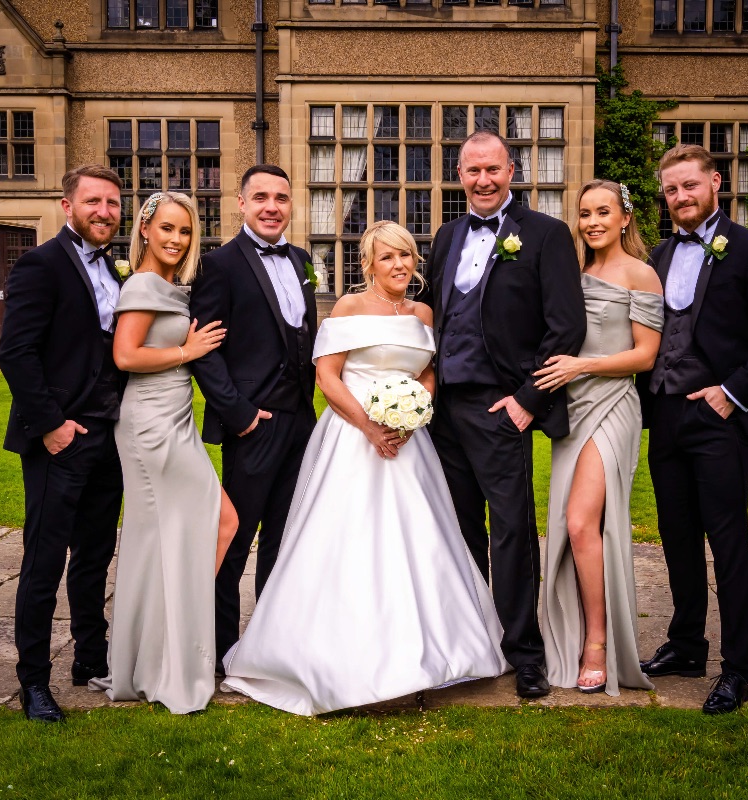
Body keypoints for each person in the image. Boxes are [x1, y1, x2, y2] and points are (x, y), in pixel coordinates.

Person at [221, 222, 508, 715]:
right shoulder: (349, 308)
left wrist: (415, 412)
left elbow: (428, 371)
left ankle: (423, 656)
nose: (400, 265)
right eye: (388, 257)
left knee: (419, 542)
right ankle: (336, 658)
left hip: (408, 444)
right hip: (353, 440)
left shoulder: (423, 313)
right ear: (368, 264)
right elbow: (328, 378)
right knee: (348, 541)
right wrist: (371, 428)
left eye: (407, 256)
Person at [415, 130, 586, 699]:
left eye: (493, 169)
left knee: (512, 531)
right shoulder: (446, 235)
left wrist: (526, 401)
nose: (483, 180)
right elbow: (436, 316)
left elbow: (565, 328)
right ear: (458, 175)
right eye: (472, 171)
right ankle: (470, 641)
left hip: (500, 408)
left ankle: (524, 651)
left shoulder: (546, 235)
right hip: (443, 412)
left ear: (512, 170)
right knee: (459, 529)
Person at [637, 144, 748, 714]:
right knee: (676, 538)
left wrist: (732, 393)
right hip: (663, 414)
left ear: (716, 183)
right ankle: (686, 645)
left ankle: (739, 668)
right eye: (671, 190)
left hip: (718, 417)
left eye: (689, 185)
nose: (680, 197)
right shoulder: (657, 255)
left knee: (728, 543)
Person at [88, 192, 238, 713]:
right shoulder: (143, 284)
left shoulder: (172, 287)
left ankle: (157, 654)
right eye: (168, 229)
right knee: (222, 522)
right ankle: (168, 652)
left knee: (167, 539)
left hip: (176, 417)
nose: (177, 240)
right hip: (150, 425)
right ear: (146, 228)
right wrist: (187, 351)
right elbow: (126, 354)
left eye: (186, 232)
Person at [0, 164, 126, 723]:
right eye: (94, 201)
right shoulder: (40, 264)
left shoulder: (119, 274)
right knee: (44, 561)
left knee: (96, 556)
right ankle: (33, 683)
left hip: (109, 438)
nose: (105, 212)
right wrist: (51, 424)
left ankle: (89, 659)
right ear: (67, 205)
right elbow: (15, 353)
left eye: (113, 203)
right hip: (59, 440)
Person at [534, 180, 663, 696]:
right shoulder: (572, 272)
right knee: (569, 528)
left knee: (582, 522)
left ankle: (597, 644)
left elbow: (645, 355)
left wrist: (582, 366)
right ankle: (562, 633)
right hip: (570, 409)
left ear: (624, 218)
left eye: (603, 212)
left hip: (611, 405)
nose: (592, 222)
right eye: (584, 213)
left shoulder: (641, 274)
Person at [189, 165, 318, 673]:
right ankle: (219, 650)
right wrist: (239, 415)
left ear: (291, 204)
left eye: (281, 198)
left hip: (300, 423)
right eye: (260, 197)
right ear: (241, 203)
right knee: (236, 536)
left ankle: (268, 644)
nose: (271, 206)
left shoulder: (304, 260)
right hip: (254, 424)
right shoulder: (219, 265)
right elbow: (204, 350)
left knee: (285, 541)